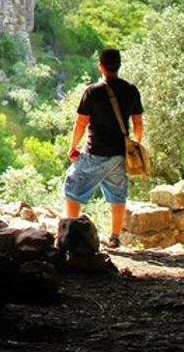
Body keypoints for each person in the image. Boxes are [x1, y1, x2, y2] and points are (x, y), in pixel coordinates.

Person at [62, 48, 144, 248]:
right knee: (117, 195)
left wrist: (73, 146)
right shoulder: (131, 89)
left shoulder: (93, 91)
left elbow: (81, 122)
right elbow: (138, 122)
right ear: (118, 66)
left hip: (95, 152)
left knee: (72, 188)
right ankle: (114, 237)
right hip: (119, 154)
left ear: (100, 65)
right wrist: (134, 145)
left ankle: (70, 233)